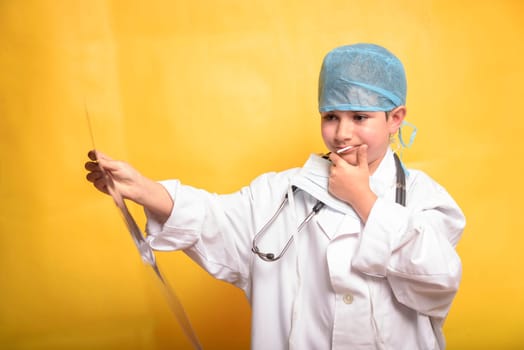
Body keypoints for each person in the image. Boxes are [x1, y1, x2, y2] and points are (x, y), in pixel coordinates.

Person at [85, 43, 465, 349]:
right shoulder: (279, 192)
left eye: (359, 117)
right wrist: (143, 189)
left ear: (395, 118)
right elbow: (216, 221)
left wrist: (364, 199)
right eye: (330, 116)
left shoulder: (423, 198)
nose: (342, 133)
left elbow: (437, 279)